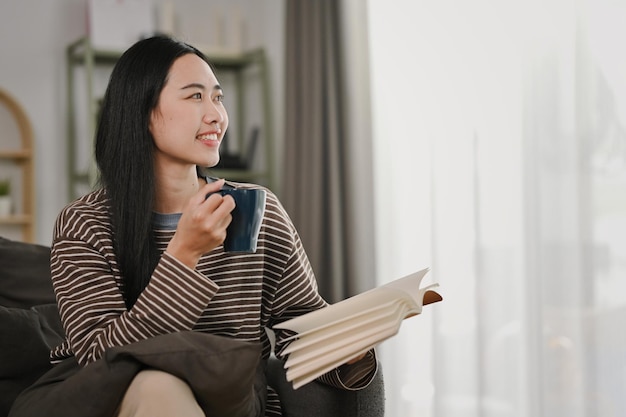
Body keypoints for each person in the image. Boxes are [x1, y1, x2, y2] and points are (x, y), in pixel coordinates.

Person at [8, 35, 376, 417]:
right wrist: (184, 255)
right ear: (143, 112)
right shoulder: (84, 224)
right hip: (119, 400)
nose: (217, 114)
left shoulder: (253, 209)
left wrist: (352, 351)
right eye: (195, 96)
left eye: (218, 97)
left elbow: (298, 329)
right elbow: (101, 358)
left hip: (231, 399)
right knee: (157, 385)